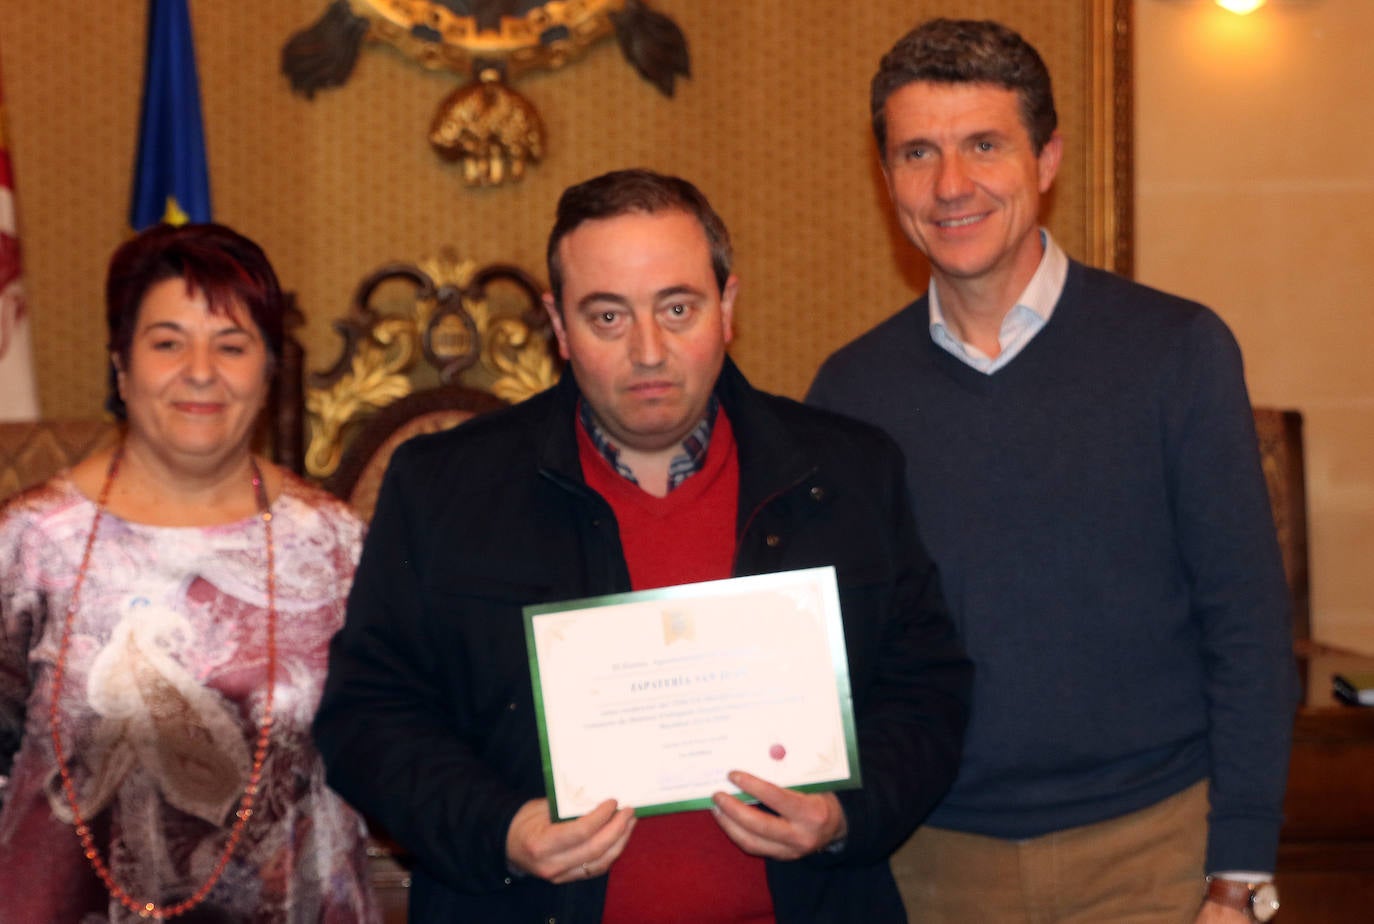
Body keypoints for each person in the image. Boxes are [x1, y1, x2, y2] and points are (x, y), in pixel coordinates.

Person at [313, 168, 972, 923]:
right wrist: (500, 829)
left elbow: (928, 690)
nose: (650, 350)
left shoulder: (848, 472)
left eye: (678, 308)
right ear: (559, 328)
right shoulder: (445, 488)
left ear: (726, 308)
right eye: (608, 318)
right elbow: (368, 716)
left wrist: (847, 814)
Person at [806, 18, 1296, 924]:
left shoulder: (1176, 351)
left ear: (1047, 158)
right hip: (931, 863)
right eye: (918, 153)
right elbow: (835, 650)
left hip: (1153, 855)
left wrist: (1241, 871)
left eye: (984, 145)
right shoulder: (848, 390)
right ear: (887, 181)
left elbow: (1249, 625)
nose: (951, 185)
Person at [0, 223, 380, 922]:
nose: (200, 370)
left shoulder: (336, 545)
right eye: (167, 342)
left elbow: (393, 741)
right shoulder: (30, 541)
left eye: (231, 345)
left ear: (268, 369)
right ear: (121, 364)